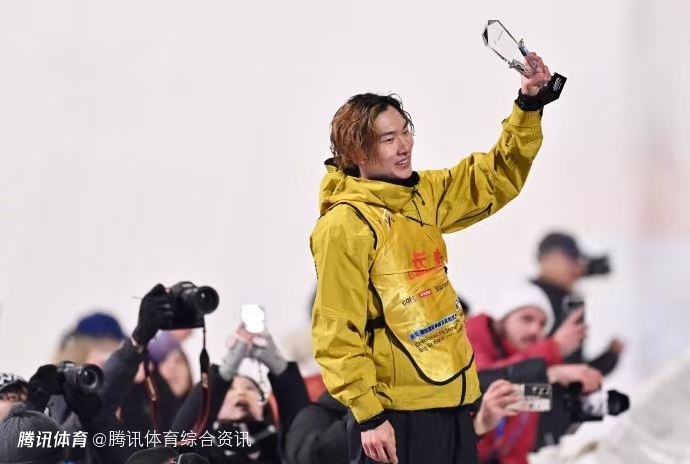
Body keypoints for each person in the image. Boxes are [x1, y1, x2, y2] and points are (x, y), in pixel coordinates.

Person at [310, 52, 555, 464]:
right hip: (395, 413)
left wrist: (528, 105)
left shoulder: (423, 194)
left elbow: (495, 176)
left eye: (405, 131)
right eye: (388, 139)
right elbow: (336, 331)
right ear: (357, 152)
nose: (404, 146)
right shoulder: (344, 224)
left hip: (454, 401)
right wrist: (369, 417)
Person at [466, 283, 603, 464]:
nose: (535, 330)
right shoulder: (470, 335)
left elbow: (516, 448)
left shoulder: (532, 372)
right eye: (527, 319)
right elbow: (481, 381)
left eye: (542, 324)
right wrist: (552, 354)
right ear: (502, 319)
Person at [531, 232, 625, 448]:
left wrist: (606, 361)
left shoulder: (563, 300)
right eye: (571, 260)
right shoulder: (533, 300)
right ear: (549, 259)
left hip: (550, 425)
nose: (576, 267)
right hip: (530, 423)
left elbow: (571, 371)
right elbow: (522, 372)